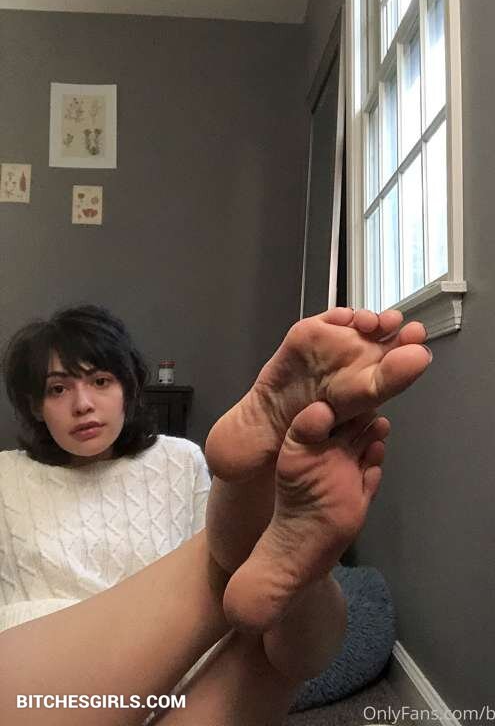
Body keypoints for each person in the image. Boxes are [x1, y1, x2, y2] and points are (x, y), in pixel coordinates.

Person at [0, 303, 432, 725]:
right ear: (35, 405)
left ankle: (283, 558)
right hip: (42, 682)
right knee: (246, 580)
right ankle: (272, 542)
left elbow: (253, 595)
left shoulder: (177, 460)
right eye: (58, 389)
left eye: (100, 381)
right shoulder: (6, 475)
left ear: (127, 389)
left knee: (264, 619)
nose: (82, 404)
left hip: (179, 681)